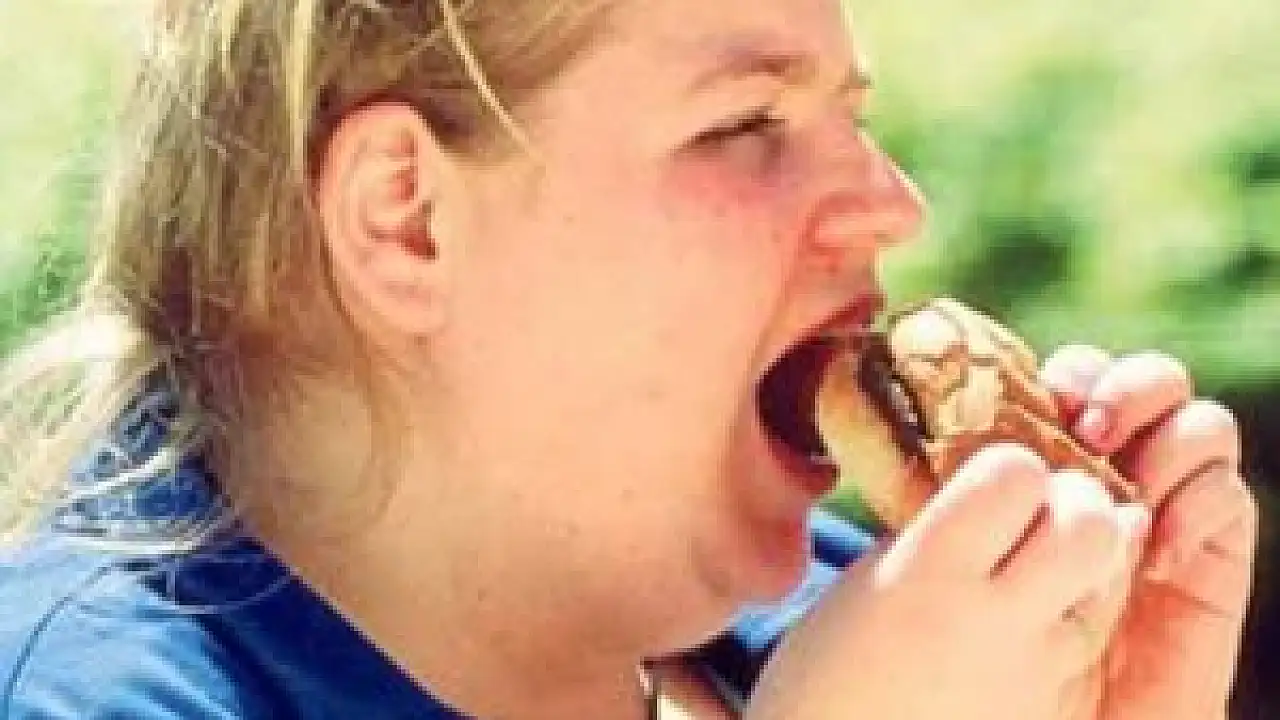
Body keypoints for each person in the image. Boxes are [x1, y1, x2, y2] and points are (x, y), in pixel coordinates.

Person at [0, 1, 1257, 718]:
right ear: (407, 218)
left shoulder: (867, 634)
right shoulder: (88, 697)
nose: (890, 205)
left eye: (851, 117)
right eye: (745, 122)